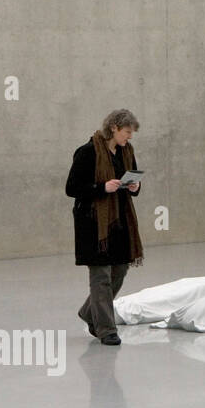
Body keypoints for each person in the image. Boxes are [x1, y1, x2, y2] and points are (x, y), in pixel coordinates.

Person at [66, 110, 144, 345]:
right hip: (93, 224)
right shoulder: (87, 152)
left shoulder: (126, 152)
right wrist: (102, 187)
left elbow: (133, 183)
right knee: (101, 276)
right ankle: (106, 330)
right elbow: (72, 188)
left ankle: (89, 312)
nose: (129, 137)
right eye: (127, 132)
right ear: (114, 128)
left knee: (119, 270)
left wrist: (134, 187)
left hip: (119, 221)